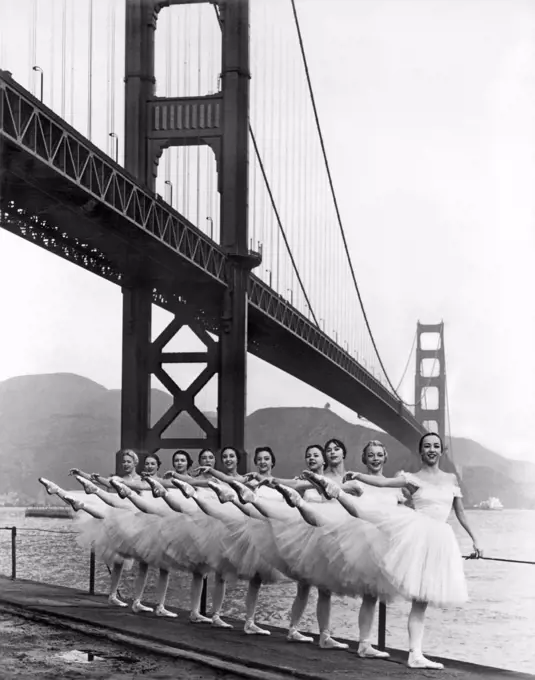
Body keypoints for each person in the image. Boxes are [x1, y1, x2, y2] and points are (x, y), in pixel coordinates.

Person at [346, 432, 483, 670]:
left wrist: (475, 540)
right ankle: (414, 653)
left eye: (436, 446)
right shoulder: (411, 478)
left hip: (441, 539)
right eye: (427, 446)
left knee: (423, 599)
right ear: (421, 451)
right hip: (418, 536)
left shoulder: (451, 479)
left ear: (442, 451)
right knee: (418, 595)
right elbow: (383, 483)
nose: (431, 449)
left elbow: (460, 513)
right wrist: (358, 475)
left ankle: (415, 653)